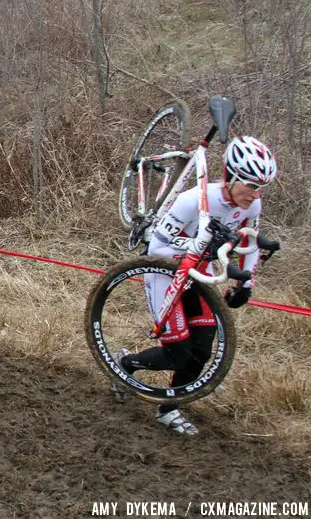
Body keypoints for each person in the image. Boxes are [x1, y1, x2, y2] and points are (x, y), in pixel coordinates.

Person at [113, 136, 276, 437]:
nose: (255, 195)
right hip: (166, 273)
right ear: (231, 177)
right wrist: (202, 243)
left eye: (260, 188)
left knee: (201, 349)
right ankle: (125, 364)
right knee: (177, 352)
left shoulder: (251, 205)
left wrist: (246, 281)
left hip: (198, 273)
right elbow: (157, 247)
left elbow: (250, 241)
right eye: (251, 186)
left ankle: (169, 409)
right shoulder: (194, 199)